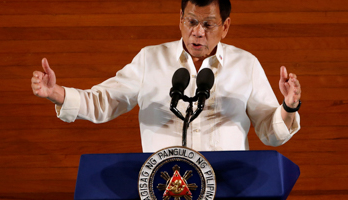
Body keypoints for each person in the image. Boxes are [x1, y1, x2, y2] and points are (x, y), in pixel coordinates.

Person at [31, 0, 301, 153]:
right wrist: (57, 93)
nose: (197, 32)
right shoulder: (151, 59)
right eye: (191, 21)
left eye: (208, 24)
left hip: (228, 187)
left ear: (225, 26)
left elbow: (270, 131)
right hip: (162, 186)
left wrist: (288, 107)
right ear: (180, 18)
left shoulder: (246, 64)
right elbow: (104, 101)